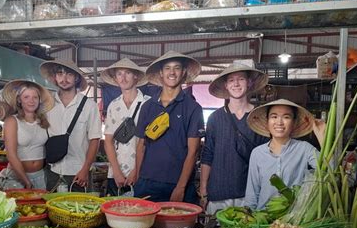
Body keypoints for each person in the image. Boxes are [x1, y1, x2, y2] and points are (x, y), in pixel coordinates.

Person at [134, 51, 204, 203]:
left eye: (177, 68)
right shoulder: (148, 106)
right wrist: (139, 178)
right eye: (167, 68)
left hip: (177, 184)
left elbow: (193, 152)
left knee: (180, 227)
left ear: (183, 72)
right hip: (147, 182)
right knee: (141, 227)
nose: (172, 72)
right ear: (161, 73)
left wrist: (180, 187)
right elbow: (141, 146)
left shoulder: (193, 108)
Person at [200, 63, 269, 215]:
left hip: (249, 193)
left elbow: (266, 158)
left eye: (241, 79)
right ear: (226, 85)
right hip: (218, 192)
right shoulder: (215, 118)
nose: (236, 84)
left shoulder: (259, 118)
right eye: (231, 80)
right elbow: (208, 154)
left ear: (249, 82)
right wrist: (203, 189)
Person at [243, 98, 325, 210]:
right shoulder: (257, 153)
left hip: (294, 220)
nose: (279, 122)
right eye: (274, 116)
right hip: (263, 218)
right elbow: (252, 195)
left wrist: (322, 138)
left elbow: (329, 171)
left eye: (286, 117)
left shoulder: (304, 149)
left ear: (294, 122)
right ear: (267, 121)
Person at [39, 60, 102, 192]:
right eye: (60, 73)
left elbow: (94, 140)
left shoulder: (89, 106)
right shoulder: (47, 104)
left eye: (69, 74)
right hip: (53, 171)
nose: (64, 78)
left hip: (79, 173)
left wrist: (85, 169)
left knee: (80, 211)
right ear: (55, 77)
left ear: (76, 78)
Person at [102, 58, 149, 196]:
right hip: (116, 175)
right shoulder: (113, 105)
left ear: (136, 76)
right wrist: (116, 172)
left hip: (143, 172)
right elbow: (108, 141)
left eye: (127, 73)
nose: (123, 78)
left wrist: (136, 171)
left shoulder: (149, 104)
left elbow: (150, 143)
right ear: (115, 78)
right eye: (119, 74)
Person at [0, 80, 54, 190]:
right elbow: (11, 155)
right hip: (17, 178)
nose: (31, 101)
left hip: (40, 176)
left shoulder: (43, 121)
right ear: (19, 100)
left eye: (35, 97)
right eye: (26, 97)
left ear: (39, 100)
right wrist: (26, 181)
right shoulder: (12, 121)